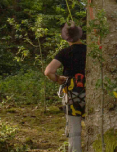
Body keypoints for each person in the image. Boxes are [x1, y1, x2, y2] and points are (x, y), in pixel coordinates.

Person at [44, 23, 86, 152]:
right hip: (91, 93)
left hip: (71, 95)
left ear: (66, 38)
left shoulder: (64, 53)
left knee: (74, 130)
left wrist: (58, 79)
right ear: (80, 35)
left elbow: (48, 71)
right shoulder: (90, 50)